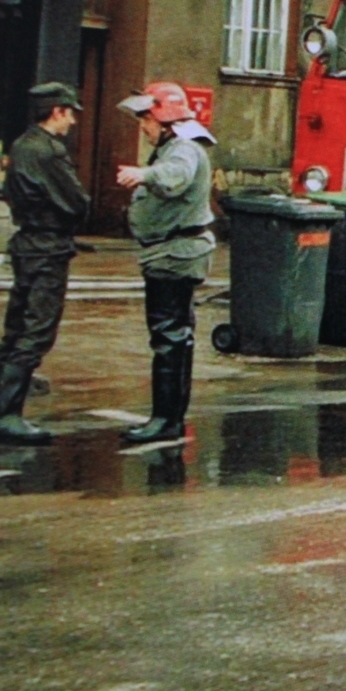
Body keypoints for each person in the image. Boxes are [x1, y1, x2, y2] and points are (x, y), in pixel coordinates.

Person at [0, 82, 91, 445]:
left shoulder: (21, 145)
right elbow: (76, 202)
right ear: (57, 111)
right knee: (36, 330)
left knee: (15, 328)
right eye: (70, 113)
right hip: (47, 246)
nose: (72, 121)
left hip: (27, 242)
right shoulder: (48, 151)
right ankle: (8, 415)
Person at [116, 82, 216, 444]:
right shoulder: (175, 146)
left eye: (146, 119)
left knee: (169, 338)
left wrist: (145, 175)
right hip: (171, 255)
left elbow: (177, 176)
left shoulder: (183, 149)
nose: (143, 126)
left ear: (164, 119)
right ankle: (170, 418)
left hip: (174, 256)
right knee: (175, 338)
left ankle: (165, 421)